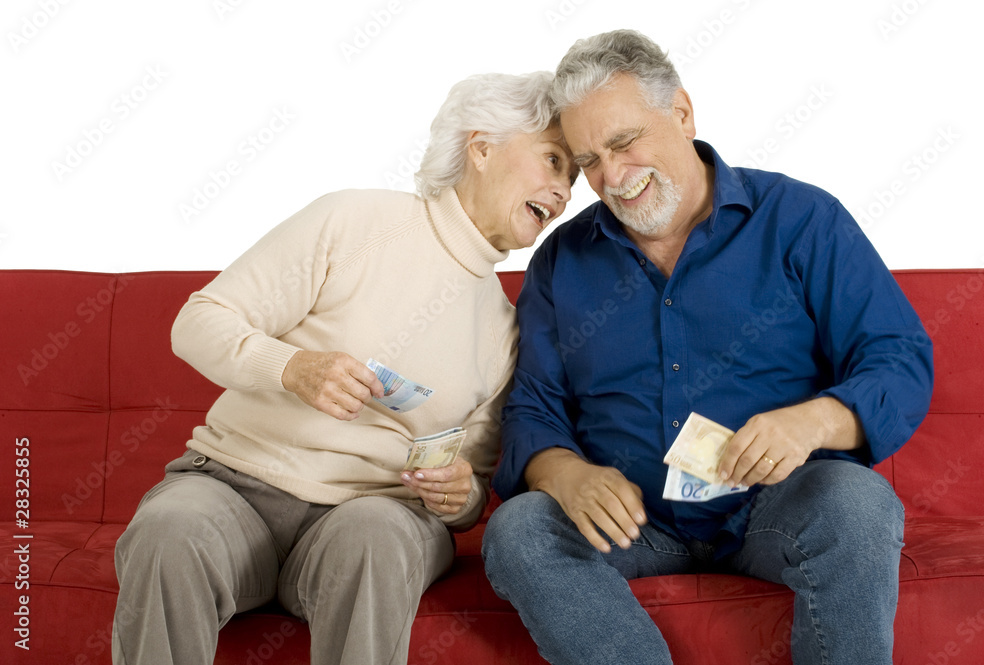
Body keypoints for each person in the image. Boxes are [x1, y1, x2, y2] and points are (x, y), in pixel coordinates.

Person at [482, 29, 933, 665]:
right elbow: (534, 406)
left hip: (776, 507)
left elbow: (898, 357)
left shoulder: (800, 218)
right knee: (521, 530)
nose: (611, 176)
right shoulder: (563, 260)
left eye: (623, 141)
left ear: (682, 113)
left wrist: (813, 420)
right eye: (588, 161)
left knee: (858, 504)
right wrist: (566, 472)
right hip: (631, 522)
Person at [112, 70, 576, 665]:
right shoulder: (352, 221)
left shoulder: (506, 330)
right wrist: (292, 367)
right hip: (234, 487)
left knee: (375, 538)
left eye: (573, 177)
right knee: (168, 532)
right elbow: (199, 321)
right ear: (482, 147)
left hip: (375, 514)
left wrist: (459, 495)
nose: (566, 192)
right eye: (553, 160)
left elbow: (468, 494)